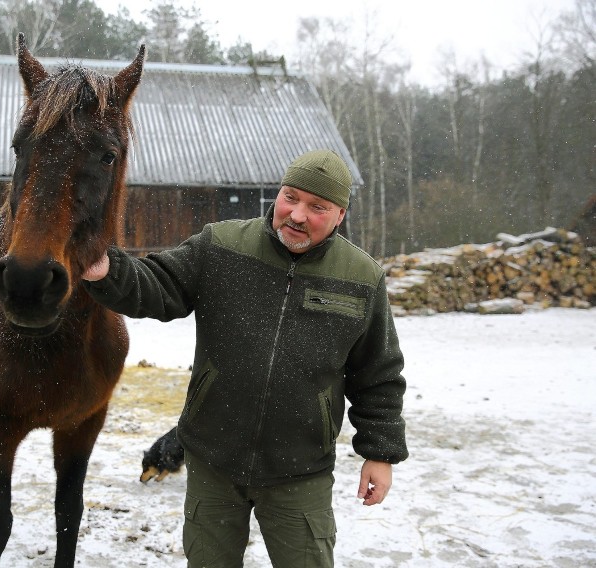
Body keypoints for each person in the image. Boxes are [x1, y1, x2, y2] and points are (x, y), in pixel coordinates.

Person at [82, 149, 408, 567]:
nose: (297, 215)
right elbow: (156, 284)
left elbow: (378, 374)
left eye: (317, 207)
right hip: (214, 460)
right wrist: (105, 270)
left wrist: (379, 453)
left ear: (340, 215)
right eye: (291, 197)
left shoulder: (361, 277)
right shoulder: (222, 246)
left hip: (300, 471)